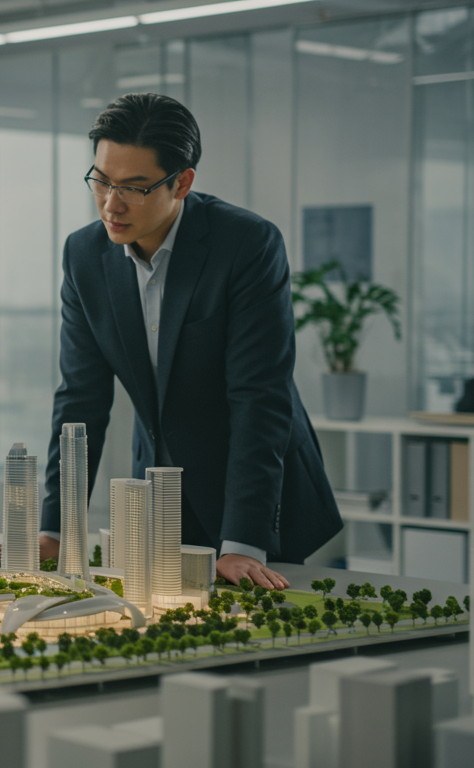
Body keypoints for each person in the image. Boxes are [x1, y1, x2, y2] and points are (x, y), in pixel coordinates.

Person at [39, 93, 342, 589]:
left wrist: (242, 541)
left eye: (134, 188)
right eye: (101, 181)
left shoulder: (246, 244)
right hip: (162, 495)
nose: (111, 205)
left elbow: (258, 396)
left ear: (181, 182)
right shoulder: (84, 255)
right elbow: (80, 399)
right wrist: (54, 528)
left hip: (259, 499)